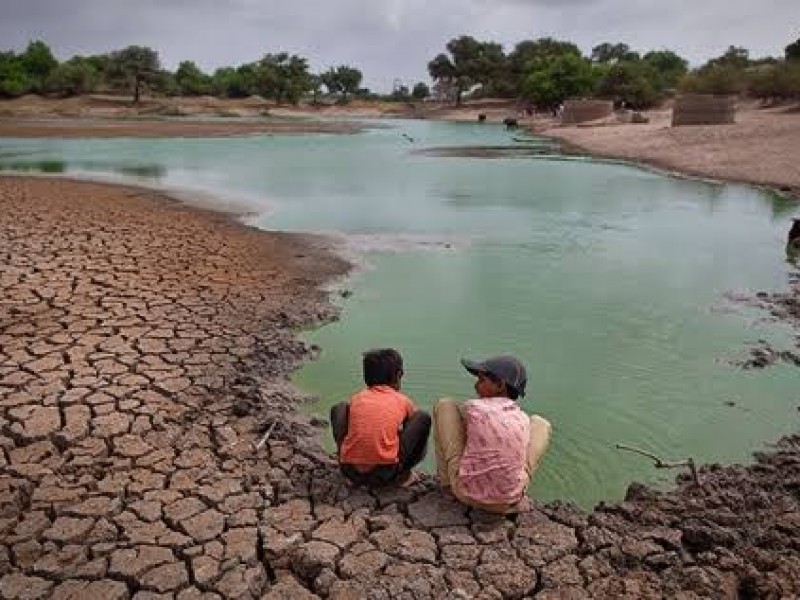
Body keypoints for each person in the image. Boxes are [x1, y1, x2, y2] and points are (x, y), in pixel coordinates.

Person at [433, 355, 551, 513]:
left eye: (482, 381)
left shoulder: (473, 407)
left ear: (500, 385)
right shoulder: (522, 419)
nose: (476, 386)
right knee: (541, 424)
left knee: (445, 406)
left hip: (465, 494)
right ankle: (516, 489)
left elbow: (457, 430)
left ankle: (447, 484)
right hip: (509, 501)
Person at [330, 348, 431, 487]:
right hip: (385, 474)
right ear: (399, 375)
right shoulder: (403, 400)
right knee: (422, 418)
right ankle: (404, 476)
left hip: (349, 470)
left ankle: (345, 457)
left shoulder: (357, 398)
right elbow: (413, 434)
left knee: (339, 408)